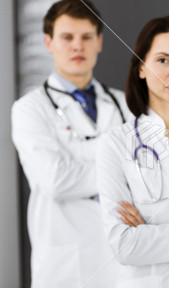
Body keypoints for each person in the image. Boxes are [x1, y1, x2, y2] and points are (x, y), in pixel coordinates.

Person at [11, 0, 131, 287]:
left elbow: (148, 175)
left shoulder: (126, 105)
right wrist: (120, 171)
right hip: (65, 267)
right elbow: (55, 180)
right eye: (67, 37)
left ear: (99, 42)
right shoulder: (29, 109)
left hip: (122, 262)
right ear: (48, 42)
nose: (78, 46)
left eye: (86, 37)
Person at [96, 16, 169, 287]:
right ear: (141, 68)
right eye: (163, 60)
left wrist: (152, 237)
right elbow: (124, 246)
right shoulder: (115, 144)